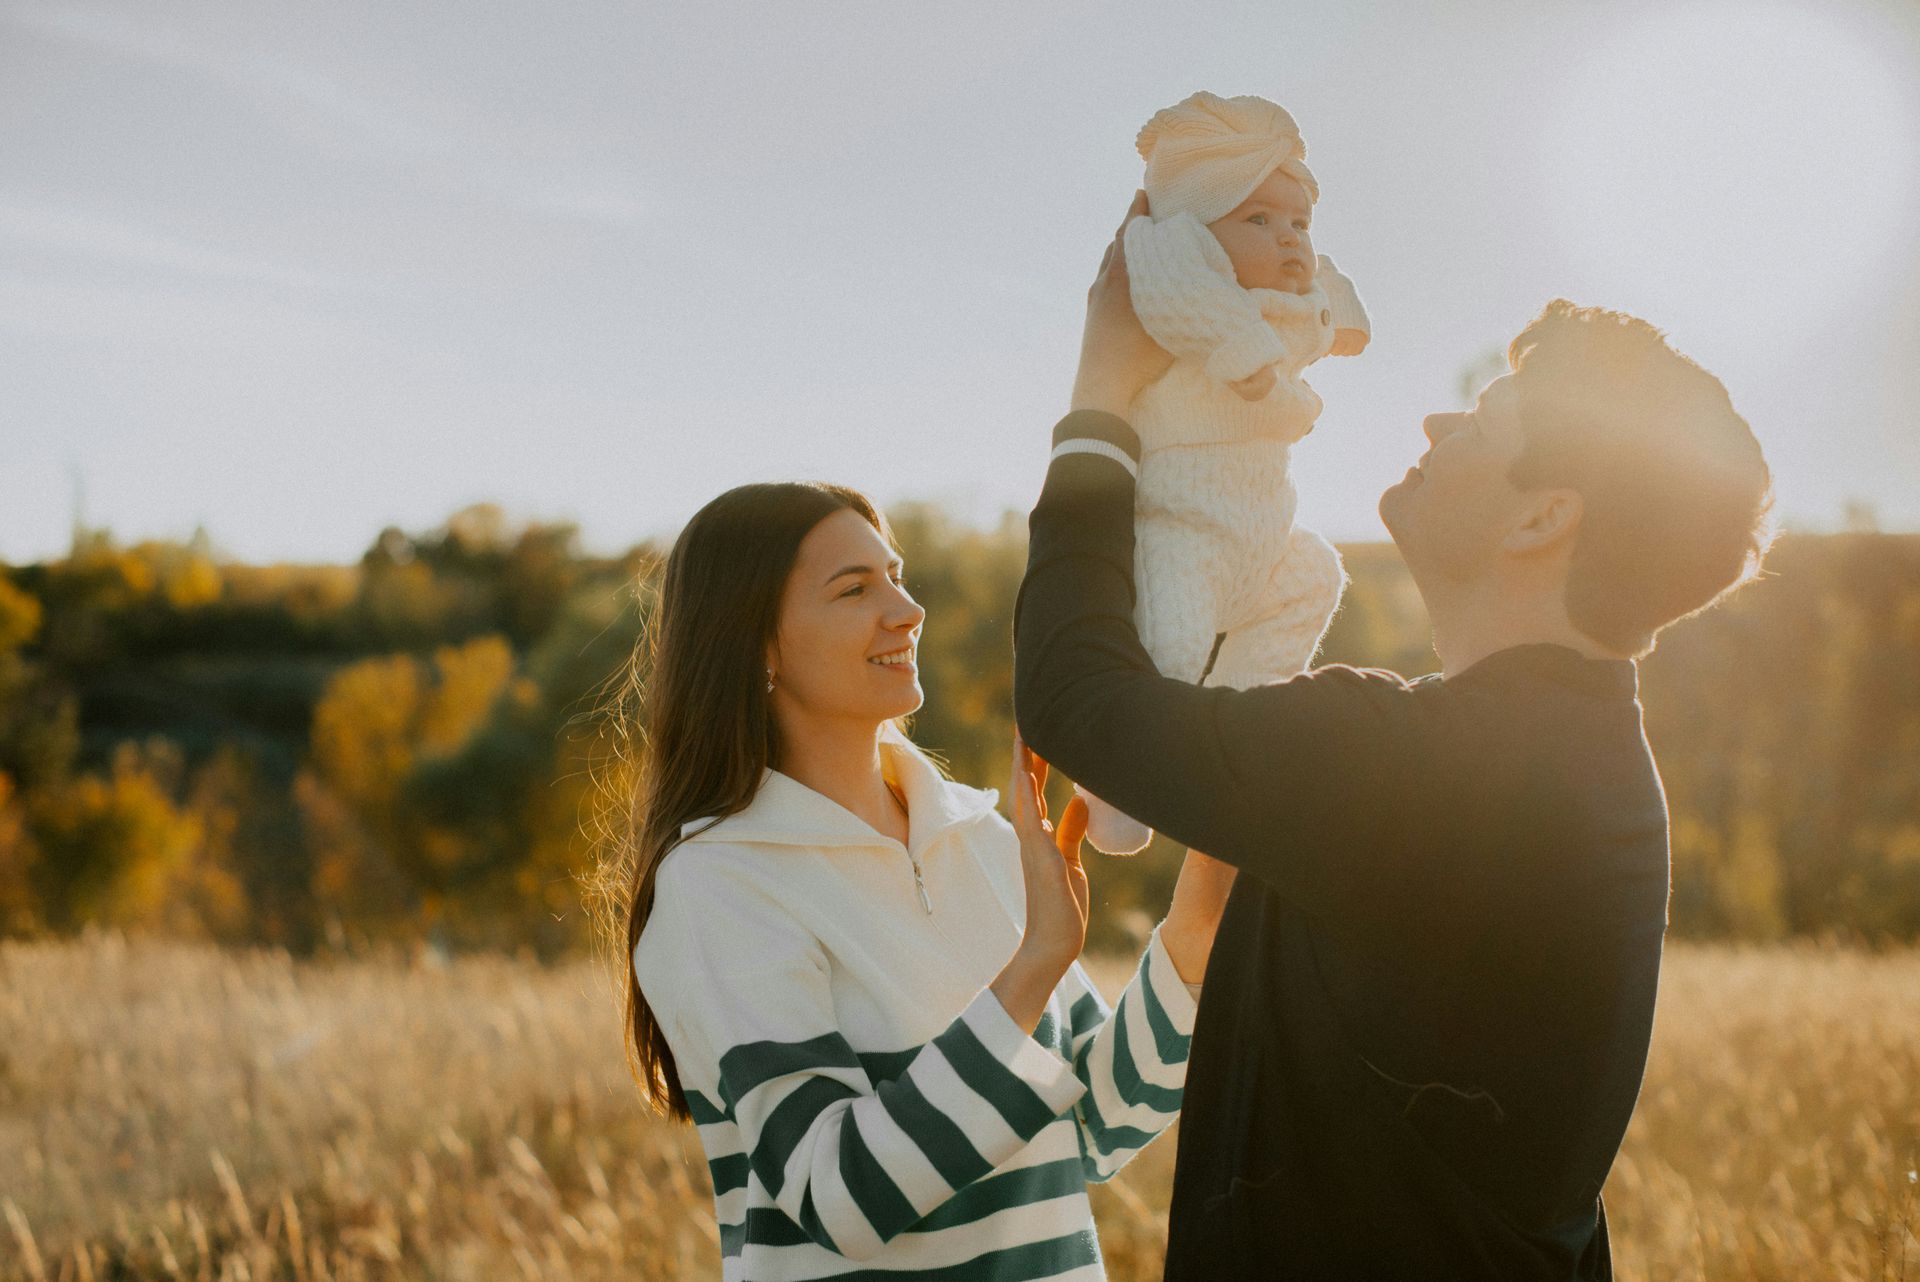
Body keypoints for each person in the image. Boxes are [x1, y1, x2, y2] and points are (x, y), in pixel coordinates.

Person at [1013, 198, 1774, 1279]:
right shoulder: (1590, 766)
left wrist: (1106, 391)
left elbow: (1073, 692)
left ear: (1539, 518)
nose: (1436, 427)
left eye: (1485, 417)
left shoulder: (1409, 760)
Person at [604, 481, 1234, 1281]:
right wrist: (1035, 962)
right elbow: (842, 1200)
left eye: (895, 575)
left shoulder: (979, 839)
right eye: (855, 588)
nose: (907, 609)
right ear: (758, 643)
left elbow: (1099, 1128)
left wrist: (1199, 915)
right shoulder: (718, 884)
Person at [1073, 90, 1369, 855]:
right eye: (1259, 220)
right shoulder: (1183, 259)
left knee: (1314, 576)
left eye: (1299, 222)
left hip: (1261, 534)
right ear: (1199, 222)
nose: (1290, 240)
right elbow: (1177, 291)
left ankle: (1233, 737)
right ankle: (1113, 783)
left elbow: (1331, 293)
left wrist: (1340, 316)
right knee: (1166, 647)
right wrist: (1248, 361)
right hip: (1183, 528)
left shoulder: (1284, 288)